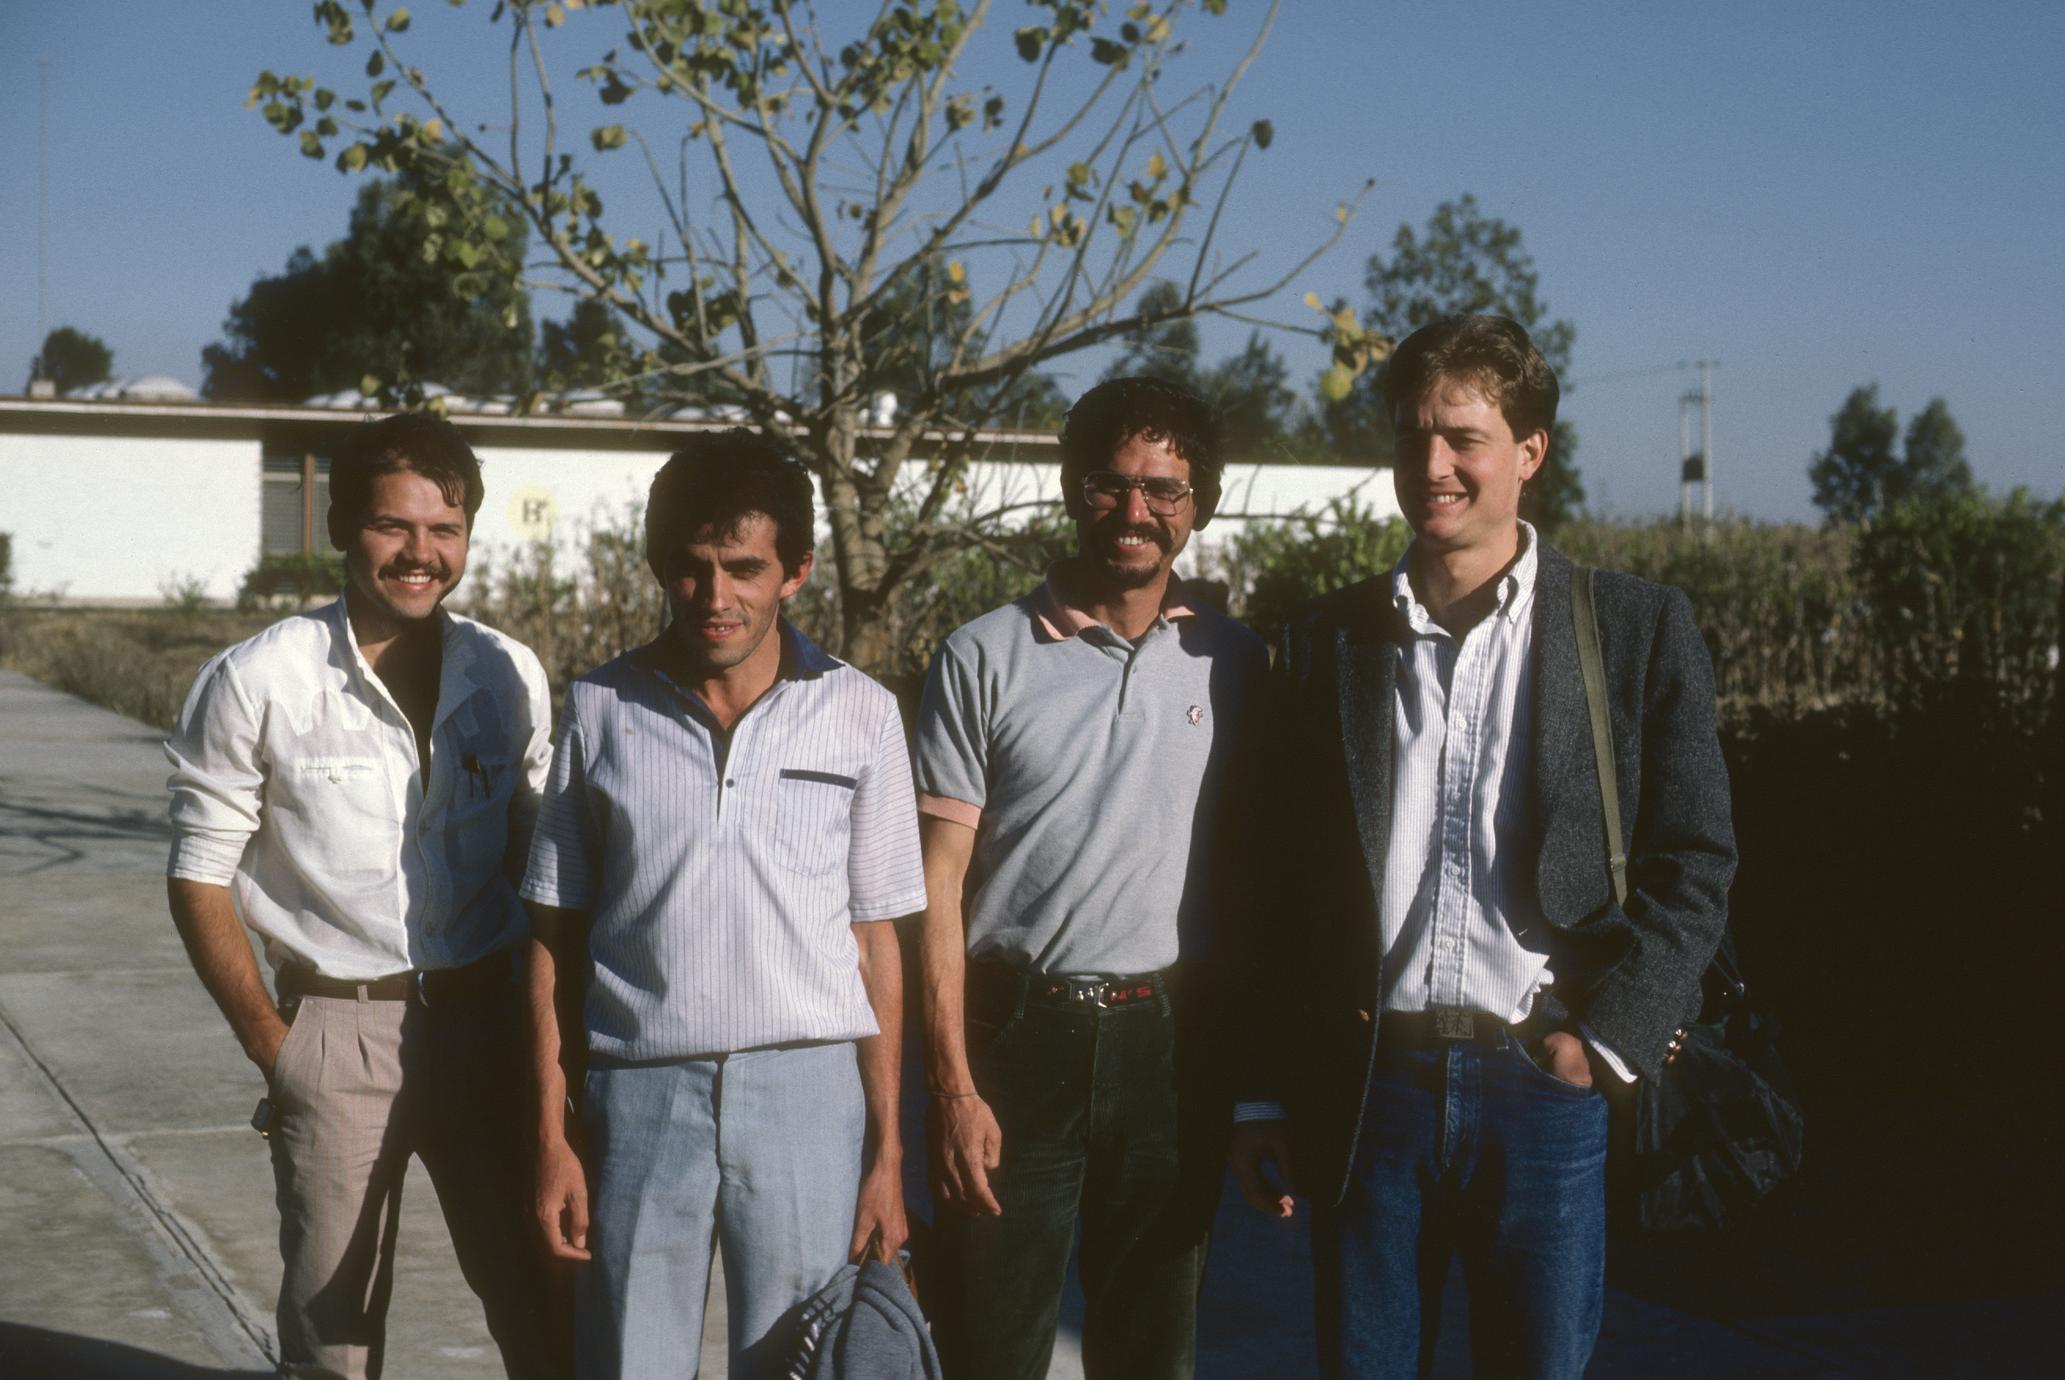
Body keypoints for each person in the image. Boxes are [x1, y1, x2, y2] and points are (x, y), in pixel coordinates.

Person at [1227, 315, 1737, 1379]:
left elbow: (1695, 859)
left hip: (1540, 1083)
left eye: (1463, 437)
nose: (1432, 466)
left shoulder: (1632, 628)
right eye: (1412, 436)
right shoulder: (1323, 640)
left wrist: (1602, 1045)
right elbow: (1269, 885)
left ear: (1528, 452)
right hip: (1371, 1086)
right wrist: (1263, 1089)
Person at [521, 431, 926, 1380]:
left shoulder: (862, 711)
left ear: (796, 571)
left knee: (797, 1364)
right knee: (629, 1366)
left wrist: (887, 1153)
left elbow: (876, 940)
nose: (715, 596)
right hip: (638, 1096)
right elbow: (549, 937)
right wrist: (552, 1136)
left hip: (808, 1096)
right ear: (660, 564)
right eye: (692, 568)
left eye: (745, 568)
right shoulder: (602, 706)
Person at [164, 412, 560, 1380]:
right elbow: (198, 878)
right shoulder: (259, 679)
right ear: (342, 525)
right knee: (331, 1333)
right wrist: (276, 1045)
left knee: (544, 1304)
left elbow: (540, 860)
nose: (422, 554)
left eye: (446, 529)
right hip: (338, 1033)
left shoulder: (507, 673)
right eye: (394, 526)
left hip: (487, 1027)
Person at [914, 377, 1268, 1380]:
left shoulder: (1235, 662)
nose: (1134, 512)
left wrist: (1257, 1087)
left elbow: (1260, 886)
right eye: (1109, 484)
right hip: (1016, 1041)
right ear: (1074, 491)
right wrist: (950, 1087)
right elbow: (935, 888)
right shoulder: (980, 656)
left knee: (1152, 1353)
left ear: (1198, 504)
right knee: (989, 1349)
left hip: (1171, 1049)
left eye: (1164, 489)